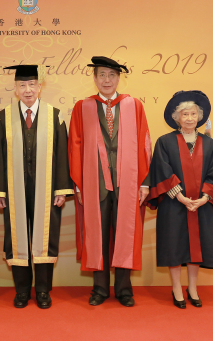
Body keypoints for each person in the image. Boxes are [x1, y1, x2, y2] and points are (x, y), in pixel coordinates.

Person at [68, 56, 152, 307]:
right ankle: (100, 289)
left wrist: (144, 182)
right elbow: (75, 145)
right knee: (97, 234)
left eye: (111, 75)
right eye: (102, 75)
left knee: (126, 232)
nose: (107, 80)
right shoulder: (82, 107)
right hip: (94, 183)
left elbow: (145, 143)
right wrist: (79, 184)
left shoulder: (133, 105)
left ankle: (125, 289)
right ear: (94, 79)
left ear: (119, 78)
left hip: (128, 181)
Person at [0, 64, 73, 309]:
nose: (27, 90)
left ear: (40, 86)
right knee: (16, 239)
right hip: (13, 188)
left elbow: (62, 154)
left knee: (45, 237)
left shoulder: (54, 115)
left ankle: (42, 290)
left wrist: (61, 189)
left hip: (47, 188)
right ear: (15, 89)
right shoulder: (3, 117)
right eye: (22, 85)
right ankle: (22, 291)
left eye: (32, 85)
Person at [147, 90, 213, 309]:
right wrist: (181, 196)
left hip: (201, 205)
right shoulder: (165, 142)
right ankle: (176, 288)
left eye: (193, 114)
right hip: (174, 204)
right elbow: (162, 170)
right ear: (176, 118)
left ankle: (192, 288)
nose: (189, 118)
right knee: (174, 246)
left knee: (196, 248)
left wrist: (203, 198)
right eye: (185, 114)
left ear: (199, 117)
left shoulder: (211, 145)